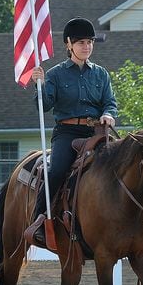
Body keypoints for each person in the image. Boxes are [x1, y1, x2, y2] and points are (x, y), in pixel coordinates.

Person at [27, 17, 117, 247]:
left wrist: (108, 114)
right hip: (67, 132)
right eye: (80, 43)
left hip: (97, 131)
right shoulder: (56, 75)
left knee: (125, 163)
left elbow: (110, 102)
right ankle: (38, 218)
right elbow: (44, 106)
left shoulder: (101, 74)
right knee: (56, 171)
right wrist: (40, 84)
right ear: (69, 44)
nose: (86, 46)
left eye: (89, 42)